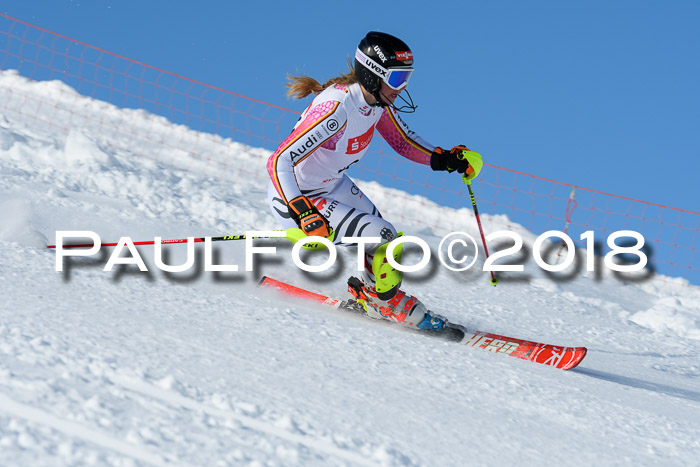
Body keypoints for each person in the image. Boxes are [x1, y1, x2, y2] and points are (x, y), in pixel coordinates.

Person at [267, 31, 481, 330]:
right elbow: (279, 161)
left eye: (407, 78)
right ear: (372, 75)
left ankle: (373, 296)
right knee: (384, 238)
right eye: (396, 79)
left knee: (382, 244)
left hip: (331, 186)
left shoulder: (374, 103)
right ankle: (388, 304)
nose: (402, 87)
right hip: (296, 195)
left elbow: (404, 141)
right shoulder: (336, 110)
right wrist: (303, 213)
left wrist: (445, 159)